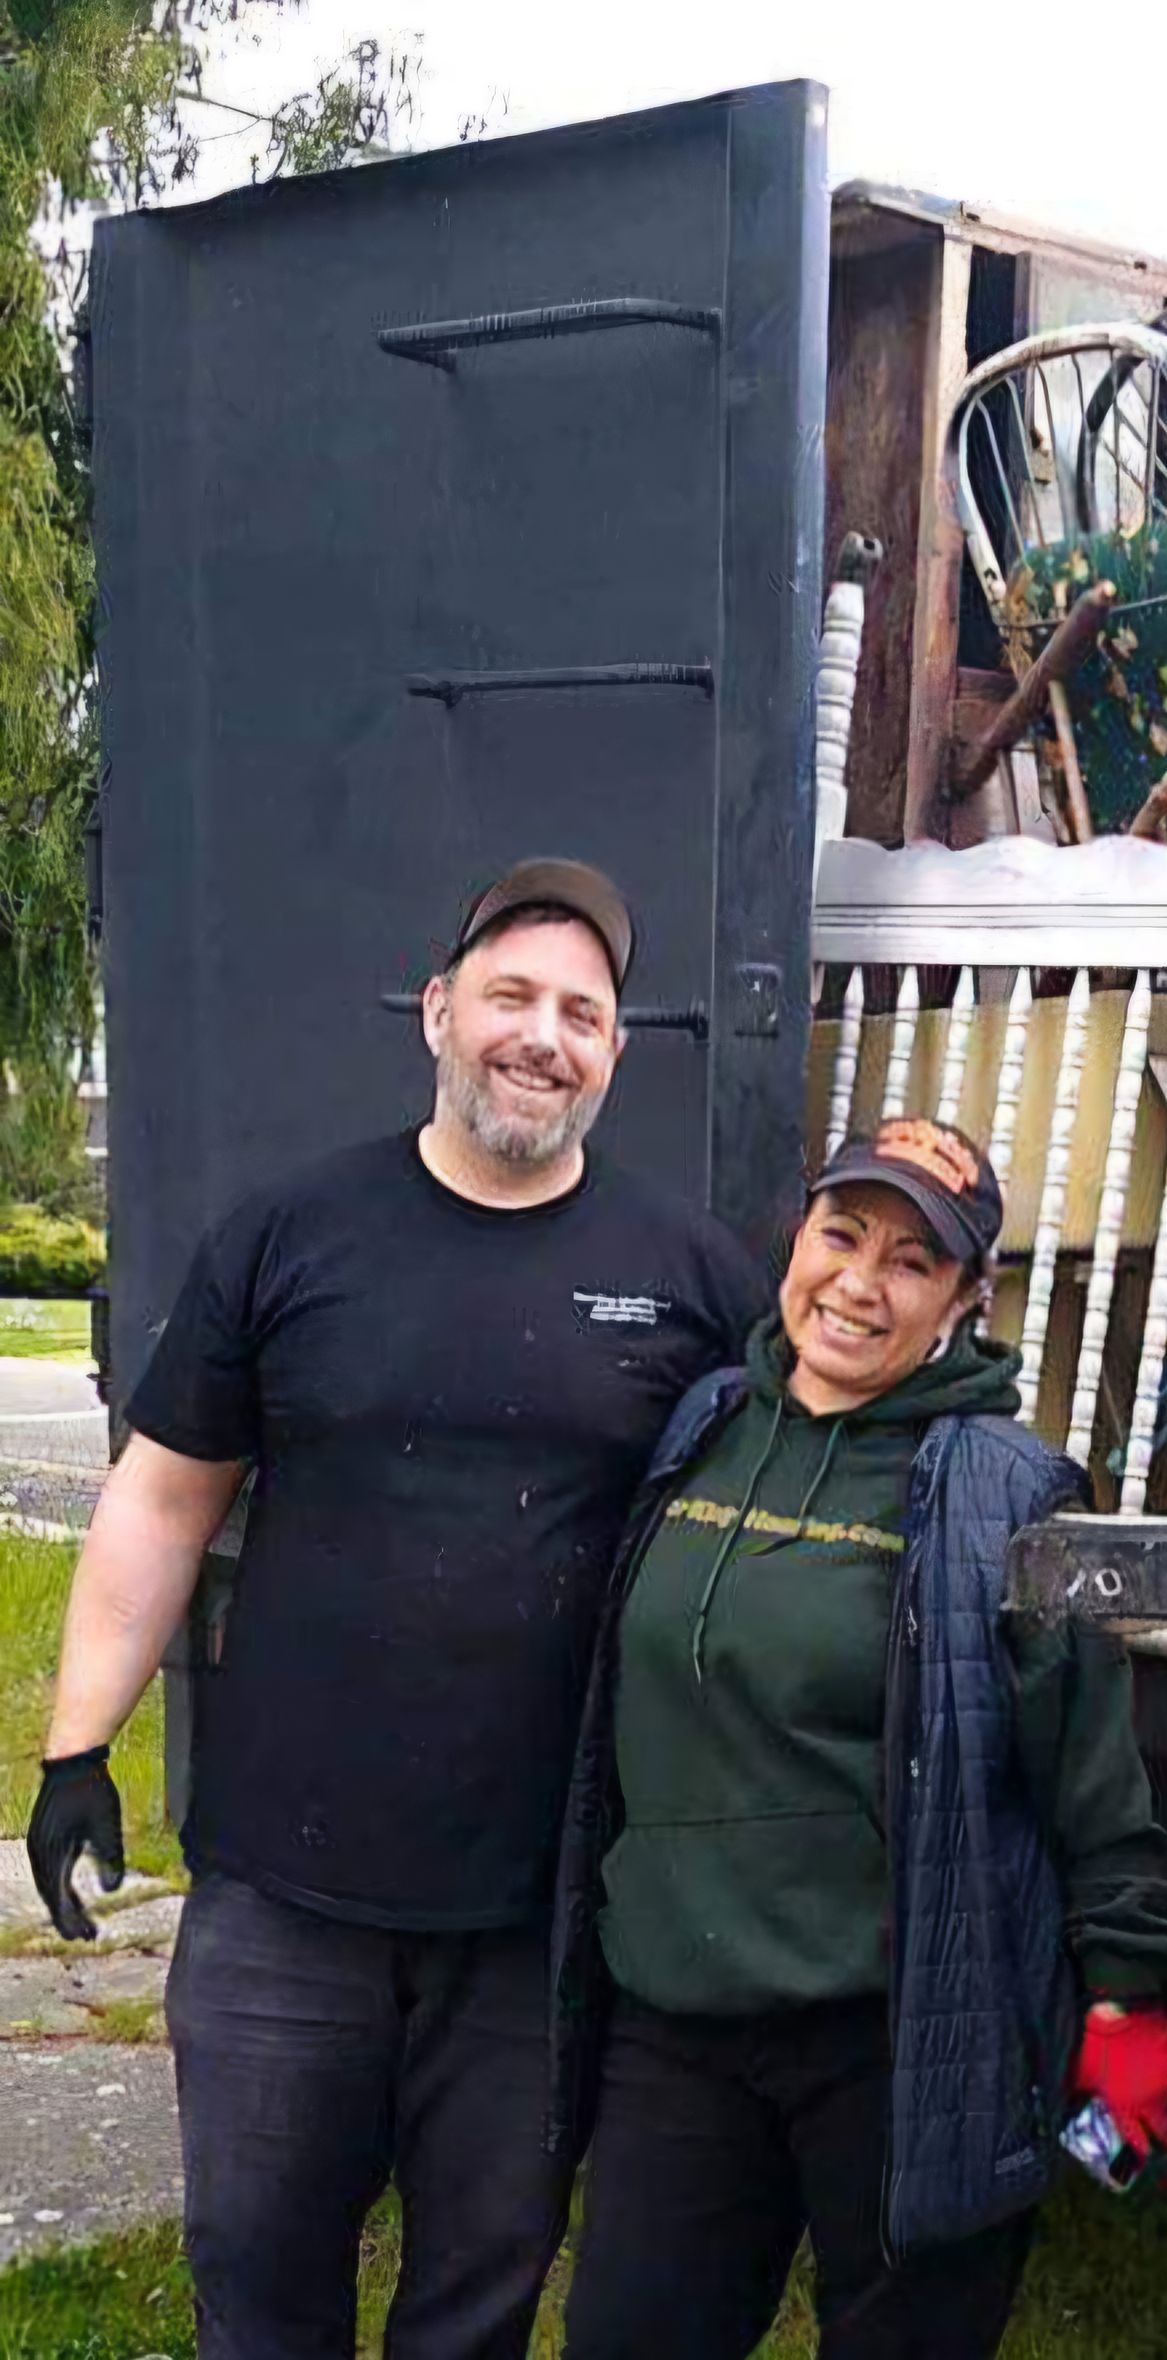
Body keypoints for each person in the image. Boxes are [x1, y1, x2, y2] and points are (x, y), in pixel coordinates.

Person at [28, 858, 765, 2360]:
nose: (542, 1036)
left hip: (535, 1918)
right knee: (258, 2288)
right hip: (281, 1904)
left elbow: (787, 1516)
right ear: (440, 1012)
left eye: (583, 1011)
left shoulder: (687, 1278)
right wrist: (73, 1747)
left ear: (614, 1052)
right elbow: (166, 1496)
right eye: (511, 996)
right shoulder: (292, 1234)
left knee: (474, 2309)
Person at [552, 1114, 1167, 2360]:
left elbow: (1090, 1770)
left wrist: (1136, 1991)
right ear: (796, 1237)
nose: (861, 1282)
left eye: (914, 1261)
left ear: (965, 1300)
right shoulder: (702, 1423)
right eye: (843, 1232)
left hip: (900, 2030)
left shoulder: (1007, 1489)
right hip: (678, 2020)